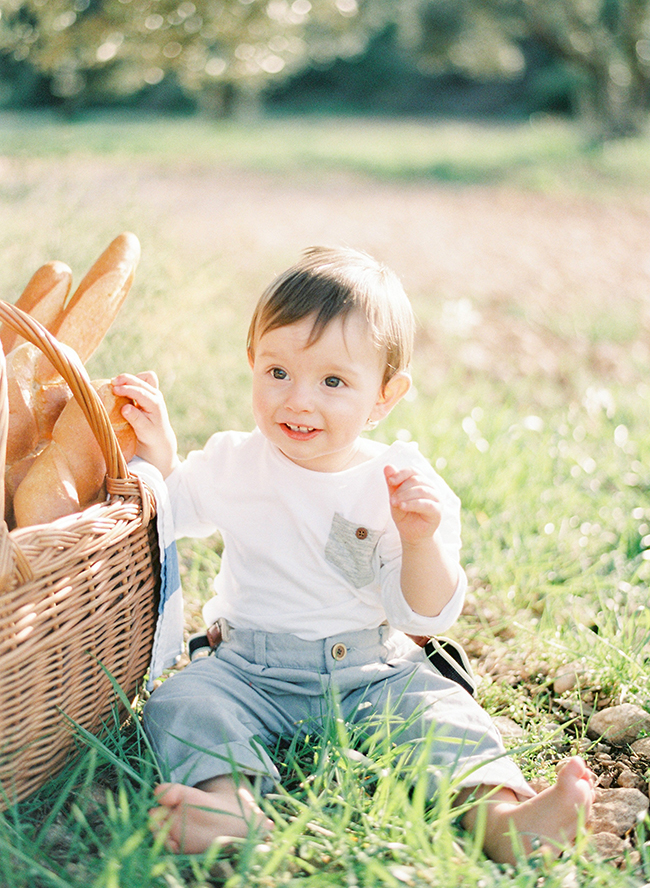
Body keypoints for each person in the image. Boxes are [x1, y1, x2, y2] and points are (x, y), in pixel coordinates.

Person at [112, 246, 594, 864]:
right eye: (277, 372)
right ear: (252, 364)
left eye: (333, 382)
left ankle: (503, 818)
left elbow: (426, 614)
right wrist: (161, 453)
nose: (298, 400)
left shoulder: (398, 483)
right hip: (248, 667)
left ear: (385, 398)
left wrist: (419, 540)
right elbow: (167, 514)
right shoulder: (234, 462)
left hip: (373, 670)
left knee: (444, 715)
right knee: (184, 701)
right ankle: (227, 802)